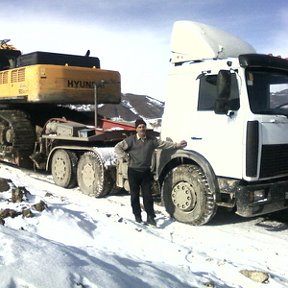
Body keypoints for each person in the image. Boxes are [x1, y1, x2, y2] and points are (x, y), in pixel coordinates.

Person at [114, 118, 187, 226]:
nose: (142, 129)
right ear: (136, 129)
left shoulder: (151, 140)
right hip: (133, 172)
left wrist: (177, 145)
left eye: (143, 127)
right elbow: (117, 147)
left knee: (148, 196)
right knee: (134, 196)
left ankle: (150, 217)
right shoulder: (131, 140)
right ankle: (137, 216)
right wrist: (126, 157)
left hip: (145, 172)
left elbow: (164, 144)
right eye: (139, 127)